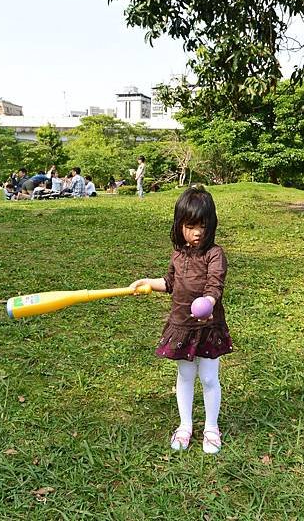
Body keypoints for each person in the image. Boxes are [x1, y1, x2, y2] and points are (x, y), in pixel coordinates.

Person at [129, 186, 232, 454]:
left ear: (212, 225)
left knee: (209, 378)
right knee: (185, 376)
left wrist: (208, 302)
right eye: (190, 225)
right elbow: (170, 283)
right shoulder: (178, 255)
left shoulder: (215, 254)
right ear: (179, 225)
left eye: (203, 226)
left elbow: (215, 285)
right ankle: (185, 425)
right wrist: (148, 283)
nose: (197, 232)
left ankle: (211, 427)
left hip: (208, 326)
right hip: (182, 326)